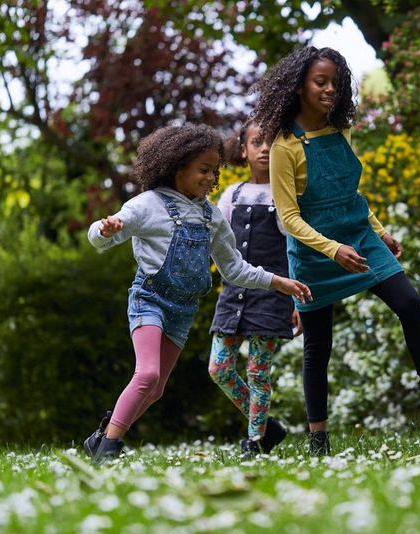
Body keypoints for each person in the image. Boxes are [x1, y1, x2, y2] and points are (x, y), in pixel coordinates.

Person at [251, 46, 420, 455]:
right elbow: (289, 217)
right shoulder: (284, 145)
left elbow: (349, 193)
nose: (330, 89)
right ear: (300, 86)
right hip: (315, 251)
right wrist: (333, 250)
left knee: (409, 303)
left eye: (336, 82)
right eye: (321, 82)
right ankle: (318, 439)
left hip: (359, 236)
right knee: (318, 347)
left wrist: (380, 231)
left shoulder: (340, 129)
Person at [83, 123, 312, 464]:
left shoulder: (211, 216)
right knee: (146, 374)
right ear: (178, 169)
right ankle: (108, 449)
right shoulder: (148, 204)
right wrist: (105, 229)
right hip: (149, 299)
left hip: (182, 309)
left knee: (157, 388)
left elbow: (234, 268)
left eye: (216, 171)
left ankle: (100, 436)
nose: (211, 178)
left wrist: (278, 282)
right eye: (203, 170)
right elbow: (99, 237)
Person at [208, 120, 303, 459]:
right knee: (219, 368)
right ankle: (267, 426)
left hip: (272, 294)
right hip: (233, 294)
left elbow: (295, 248)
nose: (264, 148)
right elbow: (216, 240)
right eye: (257, 142)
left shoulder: (284, 194)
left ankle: (255, 441)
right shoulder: (231, 195)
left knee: (257, 370)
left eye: (271, 143)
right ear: (243, 150)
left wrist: (296, 299)